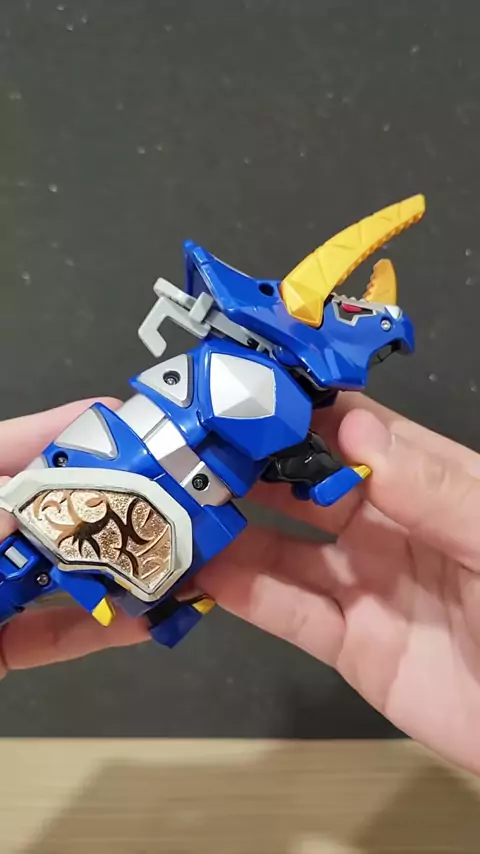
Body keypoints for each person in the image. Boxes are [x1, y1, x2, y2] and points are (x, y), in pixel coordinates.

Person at [1, 393, 479, 775]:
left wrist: (331, 477)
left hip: (164, 514)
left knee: (172, 586)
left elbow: (314, 475)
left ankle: (163, 607)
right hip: (99, 507)